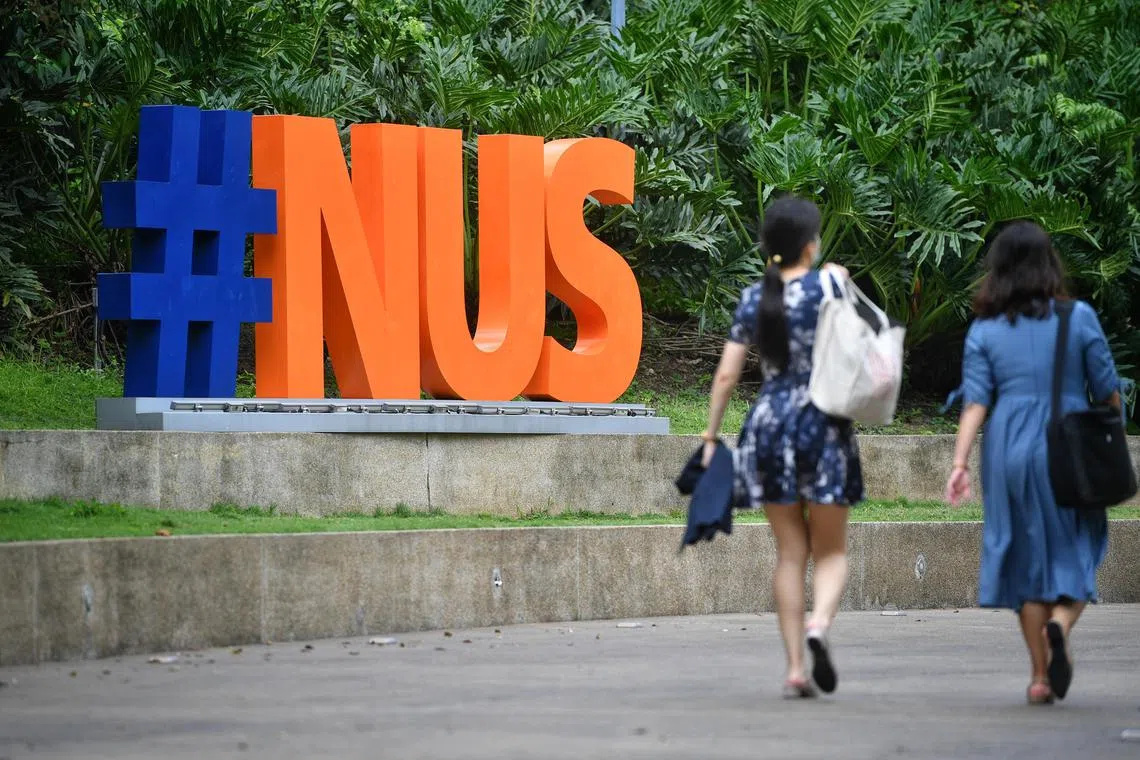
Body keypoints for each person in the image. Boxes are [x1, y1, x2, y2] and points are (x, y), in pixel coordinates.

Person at [943, 220, 1121, 705]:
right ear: (1050, 265)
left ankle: (1040, 679)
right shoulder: (1078, 317)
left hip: (1008, 450)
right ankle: (1060, 625)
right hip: (1069, 446)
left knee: (1024, 558)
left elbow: (976, 402)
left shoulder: (985, 329)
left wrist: (959, 462)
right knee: (1080, 543)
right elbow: (1108, 391)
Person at [701, 195, 864, 699]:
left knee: (791, 551)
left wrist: (710, 436)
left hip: (768, 424)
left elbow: (727, 374)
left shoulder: (754, 298)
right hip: (823, 423)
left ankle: (795, 668)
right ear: (811, 245)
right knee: (831, 550)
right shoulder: (831, 283)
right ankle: (819, 624)